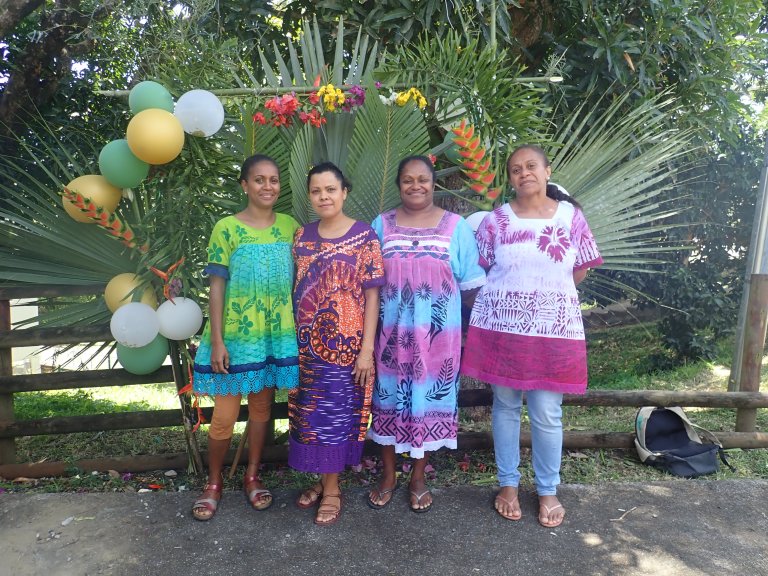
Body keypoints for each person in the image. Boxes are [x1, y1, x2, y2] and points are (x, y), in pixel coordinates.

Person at [461, 144, 603, 528]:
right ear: (510, 178)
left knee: (546, 412)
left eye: (531, 166)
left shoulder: (571, 217)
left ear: (547, 170)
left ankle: (547, 489)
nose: (524, 173)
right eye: (516, 169)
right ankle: (508, 484)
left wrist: (545, 297)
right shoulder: (497, 221)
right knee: (505, 406)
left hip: (553, 330)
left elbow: (579, 269)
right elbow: (480, 270)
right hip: (503, 329)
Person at [367, 155, 485, 512]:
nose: (415, 185)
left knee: (427, 400)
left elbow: (471, 285)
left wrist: (466, 332)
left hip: (438, 342)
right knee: (387, 400)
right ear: (399, 185)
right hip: (389, 337)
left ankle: (418, 477)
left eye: (422, 179)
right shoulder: (381, 225)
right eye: (408, 179)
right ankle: (388, 476)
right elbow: (369, 284)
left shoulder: (456, 227)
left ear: (434, 183)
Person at [191, 154, 300, 521]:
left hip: (274, 337)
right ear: (245, 185)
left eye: (273, 180)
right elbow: (217, 288)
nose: (267, 186)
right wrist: (218, 340)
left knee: (262, 411)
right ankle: (214, 482)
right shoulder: (226, 229)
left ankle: (252, 476)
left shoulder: (290, 227)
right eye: (258, 179)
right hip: (235, 338)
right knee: (223, 417)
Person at [289, 162, 385, 525]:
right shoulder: (301, 237)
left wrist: (366, 351)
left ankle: (332, 490)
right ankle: (322, 480)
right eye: (316, 191)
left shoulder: (364, 237)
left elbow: (372, 296)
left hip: (346, 350)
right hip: (306, 349)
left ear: (344, 192)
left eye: (331, 189)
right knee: (310, 417)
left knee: (335, 418)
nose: (324, 196)